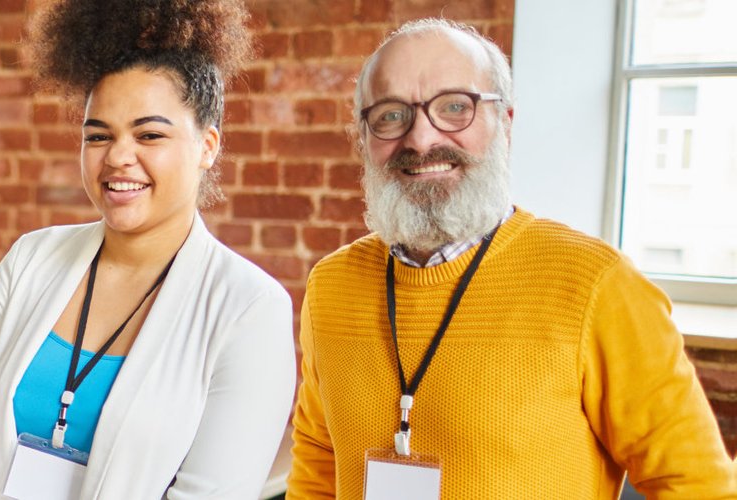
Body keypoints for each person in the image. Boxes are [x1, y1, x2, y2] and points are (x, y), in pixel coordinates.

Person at [287, 18, 737, 499]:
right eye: (391, 115)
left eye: (455, 107)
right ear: (364, 137)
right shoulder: (331, 285)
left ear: (505, 123)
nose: (420, 139)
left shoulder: (597, 286)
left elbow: (699, 487)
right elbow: (318, 463)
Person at [0, 0, 296, 498]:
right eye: (99, 136)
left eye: (149, 134)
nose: (117, 157)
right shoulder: (29, 260)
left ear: (208, 145)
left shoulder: (248, 309)